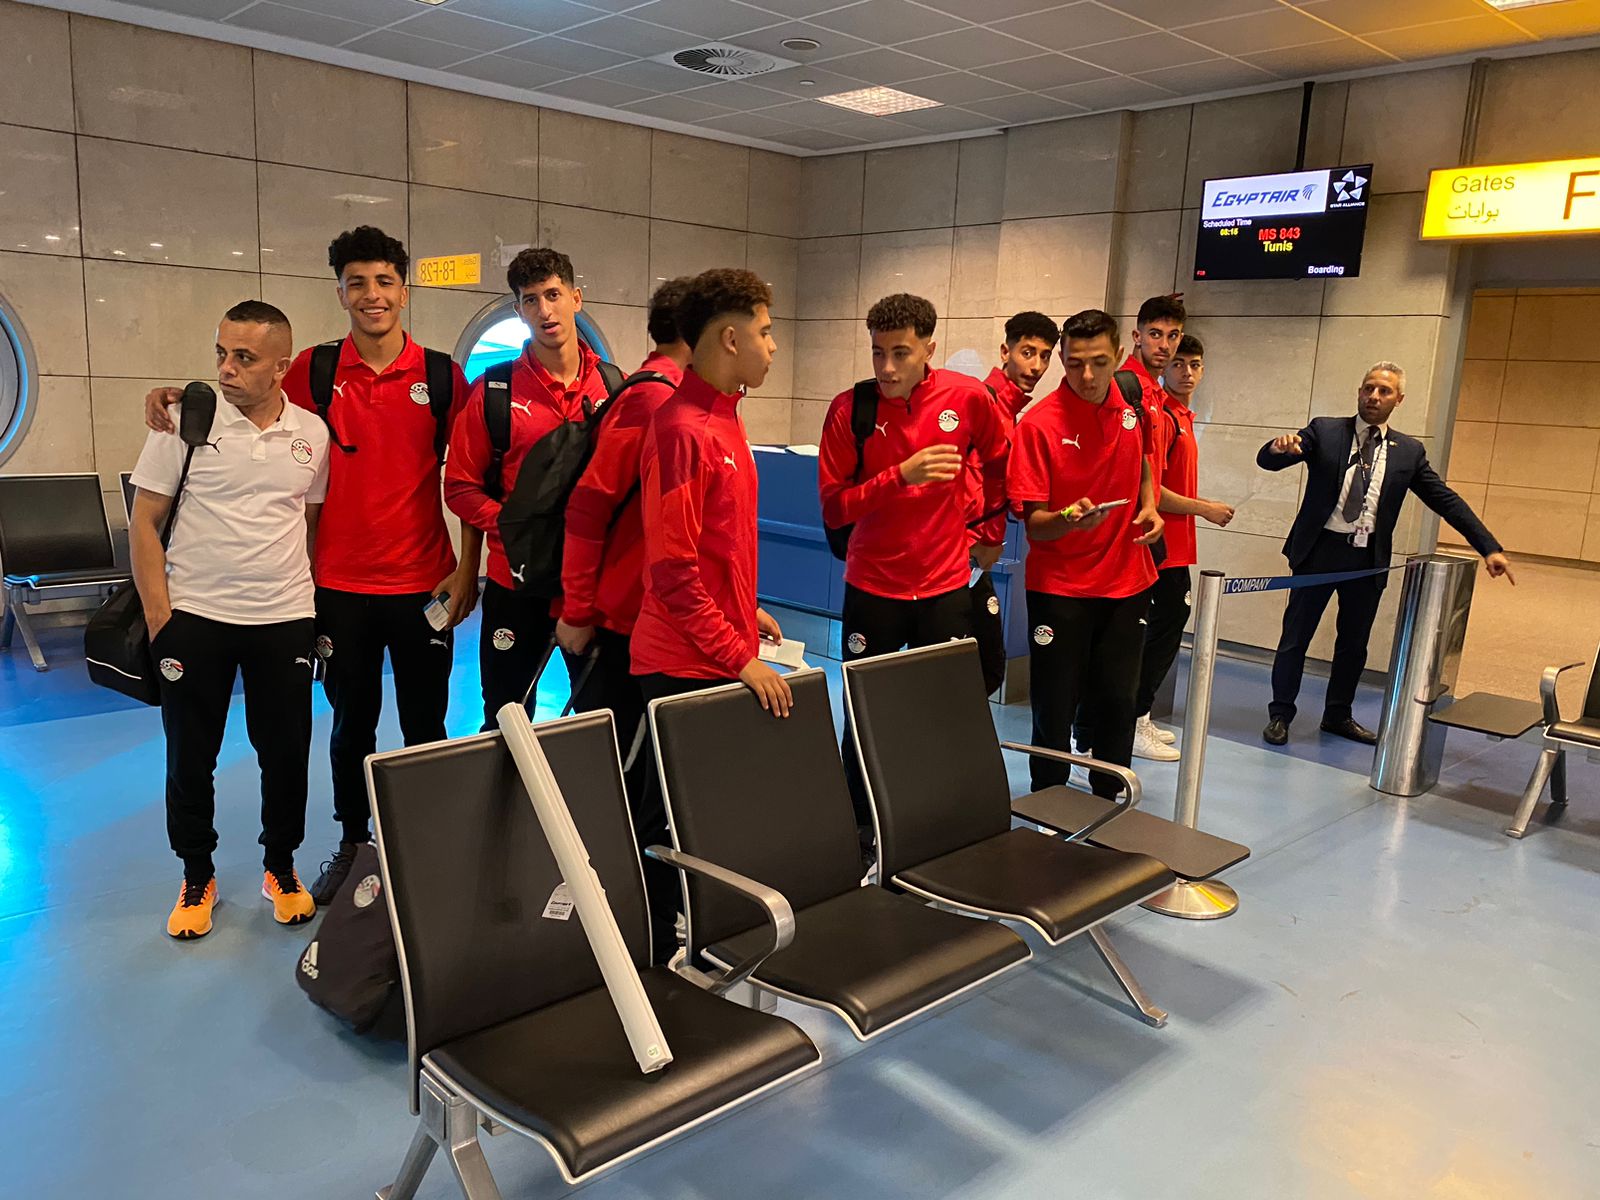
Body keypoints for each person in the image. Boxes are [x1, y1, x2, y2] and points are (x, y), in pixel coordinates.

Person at [145, 227, 479, 906]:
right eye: (357, 283)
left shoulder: (444, 377)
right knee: (350, 727)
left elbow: (470, 477)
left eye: (384, 281)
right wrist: (179, 397)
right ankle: (354, 846)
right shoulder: (312, 370)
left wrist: (469, 570)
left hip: (424, 582)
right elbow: (244, 385)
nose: (371, 295)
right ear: (341, 293)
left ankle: (427, 848)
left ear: (404, 291)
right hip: (337, 590)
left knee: (427, 725)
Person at [129, 301, 330, 939]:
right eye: (221, 352)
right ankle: (197, 875)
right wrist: (161, 617)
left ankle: (281, 867)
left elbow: (307, 523)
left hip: (284, 618)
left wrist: (304, 602)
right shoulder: (183, 421)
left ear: (282, 366)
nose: (226, 368)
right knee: (191, 756)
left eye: (244, 357)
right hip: (196, 620)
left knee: (286, 754)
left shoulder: (312, 433)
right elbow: (144, 522)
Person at [629, 267, 787, 961]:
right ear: (730, 338)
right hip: (679, 662)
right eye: (765, 332)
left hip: (715, 648)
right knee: (667, 819)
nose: (772, 346)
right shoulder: (679, 429)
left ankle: (698, 936)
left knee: (708, 814)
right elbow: (672, 573)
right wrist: (741, 658)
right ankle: (658, 952)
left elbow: (715, 545)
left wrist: (746, 608)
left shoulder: (726, 419)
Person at [818, 292, 1010, 838]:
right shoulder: (850, 410)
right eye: (877, 352)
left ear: (929, 348)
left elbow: (1001, 464)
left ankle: (938, 829)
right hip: (872, 588)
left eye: (900, 353)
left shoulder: (967, 399)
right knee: (863, 716)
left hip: (944, 586)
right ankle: (859, 836)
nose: (886, 368)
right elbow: (834, 507)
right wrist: (899, 476)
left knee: (944, 712)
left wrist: (990, 534)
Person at [1257, 361, 1515, 746]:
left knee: (1353, 645)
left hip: (1366, 558)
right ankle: (1280, 715)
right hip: (1318, 552)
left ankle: (1337, 716)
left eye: (1384, 391)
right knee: (1296, 637)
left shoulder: (1408, 452)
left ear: (1399, 400)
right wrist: (1277, 449)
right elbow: (1271, 460)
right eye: (1368, 388)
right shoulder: (1325, 431)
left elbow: (1445, 500)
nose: (1374, 397)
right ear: (1359, 392)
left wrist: (1489, 546)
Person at [445, 247, 615, 731]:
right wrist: (511, 525)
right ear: (519, 310)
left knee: (603, 713)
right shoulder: (494, 392)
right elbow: (460, 486)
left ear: (576, 299)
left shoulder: (612, 387)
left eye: (554, 295)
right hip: (514, 585)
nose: (545, 310)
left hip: (594, 583)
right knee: (506, 717)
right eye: (531, 299)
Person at [1007, 310, 1163, 798]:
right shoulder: (1038, 425)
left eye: (1099, 362)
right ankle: (1048, 803)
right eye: (1075, 364)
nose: (1088, 376)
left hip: (1127, 582)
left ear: (1119, 355)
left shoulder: (1132, 403)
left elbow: (1143, 460)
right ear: (1062, 360)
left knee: (1118, 702)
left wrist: (1150, 506)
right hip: (1060, 589)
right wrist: (1068, 520)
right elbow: (1034, 524)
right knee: (1054, 706)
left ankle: (1109, 803)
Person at [554, 276, 693, 798]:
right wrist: (578, 611)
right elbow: (588, 508)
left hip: (658, 616)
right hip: (622, 621)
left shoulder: (680, 399)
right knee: (626, 779)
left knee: (654, 776)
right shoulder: (653, 400)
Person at [1132, 333, 1236, 762]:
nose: (1187, 372)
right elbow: (1152, 490)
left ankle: (1140, 713)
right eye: (1179, 363)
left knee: (1169, 626)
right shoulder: (1161, 417)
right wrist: (1205, 508)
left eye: (1195, 364)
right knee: (1159, 630)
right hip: (1159, 546)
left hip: (1177, 545)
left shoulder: (1182, 417)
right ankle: (1133, 718)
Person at [969, 310, 1059, 697]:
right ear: (1006, 351)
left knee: (982, 668)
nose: (1036, 366)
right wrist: (972, 544)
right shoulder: (983, 404)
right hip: (961, 559)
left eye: (1044, 356)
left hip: (978, 561)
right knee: (983, 667)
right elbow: (958, 482)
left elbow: (1012, 493)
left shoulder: (1011, 414)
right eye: (1027, 352)